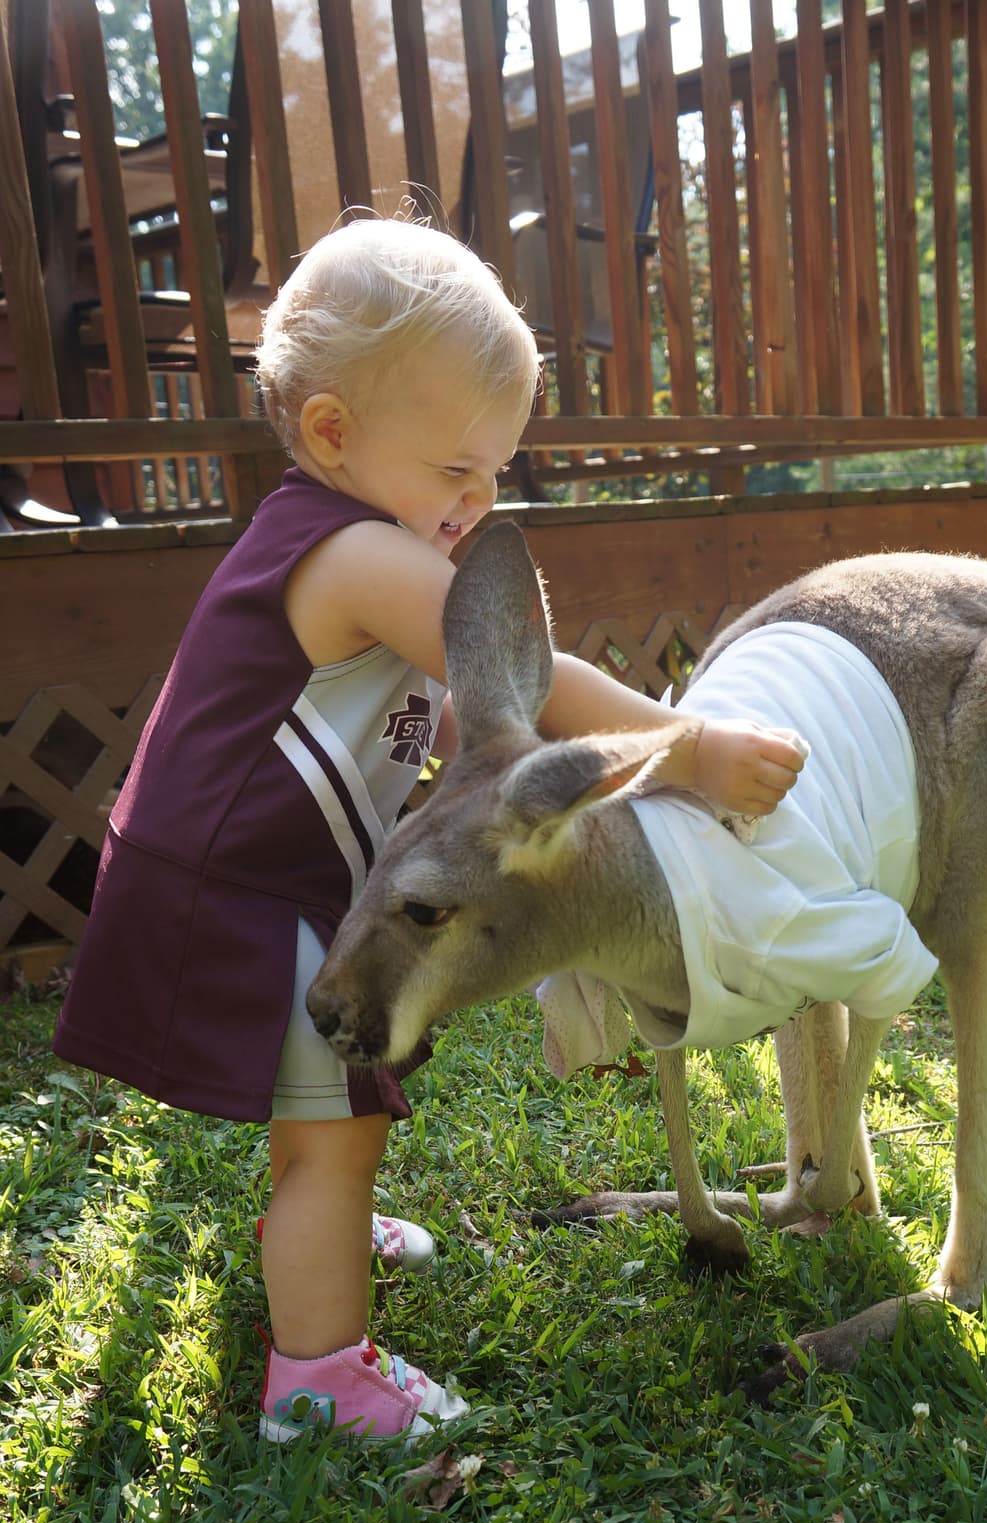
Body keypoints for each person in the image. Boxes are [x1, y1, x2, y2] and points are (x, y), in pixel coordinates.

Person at [54, 219, 806, 1445]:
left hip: (247, 867)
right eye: (457, 469)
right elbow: (536, 677)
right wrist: (692, 746)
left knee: (328, 1121)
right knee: (337, 1133)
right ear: (334, 434)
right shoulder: (355, 555)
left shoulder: (351, 537)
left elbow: (473, 713)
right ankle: (318, 1378)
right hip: (236, 885)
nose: (480, 499)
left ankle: (321, 1231)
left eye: (496, 471)